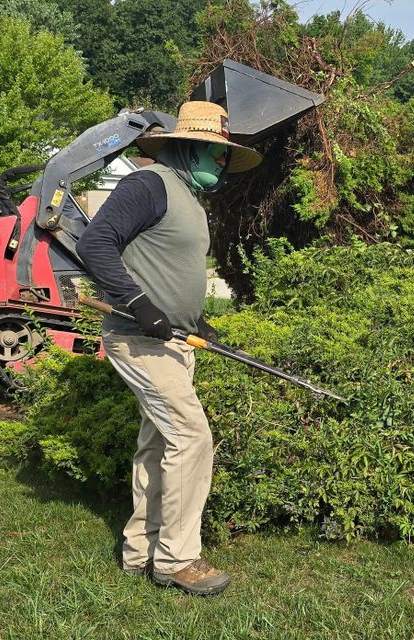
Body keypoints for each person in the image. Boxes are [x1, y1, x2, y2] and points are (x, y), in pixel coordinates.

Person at [76, 101, 262, 596]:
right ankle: (178, 560)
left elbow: (164, 267)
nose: (222, 163)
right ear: (187, 147)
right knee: (192, 438)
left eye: (226, 156)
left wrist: (194, 319)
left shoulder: (184, 196)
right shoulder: (149, 184)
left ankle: (141, 551)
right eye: (216, 154)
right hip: (139, 339)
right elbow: (95, 244)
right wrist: (140, 306)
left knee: (159, 444)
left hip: (172, 341)